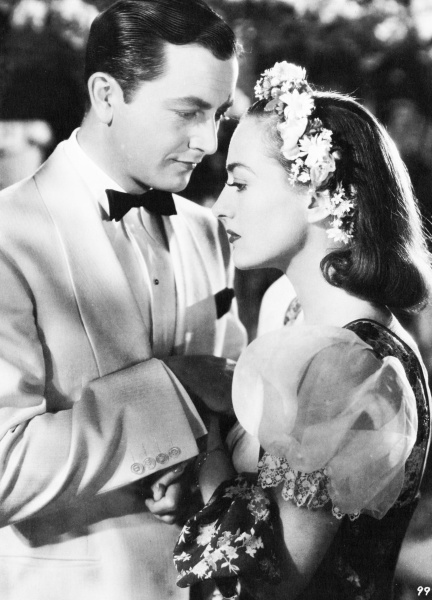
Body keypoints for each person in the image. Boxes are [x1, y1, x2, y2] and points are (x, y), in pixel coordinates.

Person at [0, 1, 247, 599]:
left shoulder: (209, 231)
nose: (208, 141)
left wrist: (202, 465)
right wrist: (177, 386)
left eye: (218, 114)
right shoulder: (9, 235)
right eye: (188, 112)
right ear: (106, 95)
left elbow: (231, 403)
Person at [173, 62, 432, 600]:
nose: (220, 206)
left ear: (314, 196)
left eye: (240, 183)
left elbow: (265, 581)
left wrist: (203, 441)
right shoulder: (289, 309)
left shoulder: (349, 366)